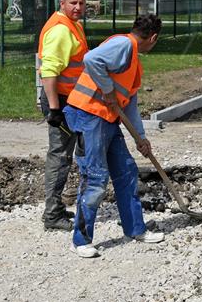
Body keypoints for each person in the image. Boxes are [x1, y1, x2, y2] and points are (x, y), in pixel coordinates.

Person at [63, 14, 165, 258]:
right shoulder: (123, 45)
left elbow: (129, 104)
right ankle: (81, 240)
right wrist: (107, 90)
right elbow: (91, 59)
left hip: (107, 119)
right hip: (89, 116)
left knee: (127, 171)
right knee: (95, 178)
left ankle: (135, 229)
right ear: (153, 37)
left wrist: (141, 138)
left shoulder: (134, 62)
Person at [37, 0, 89, 231]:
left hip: (69, 99)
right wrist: (55, 110)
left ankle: (55, 210)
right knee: (59, 156)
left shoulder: (71, 25)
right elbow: (48, 72)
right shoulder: (60, 31)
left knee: (63, 155)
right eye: (73, 3)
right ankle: (52, 215)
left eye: (81, 3)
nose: (78, 7)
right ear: (62, 3)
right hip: (61, 101)